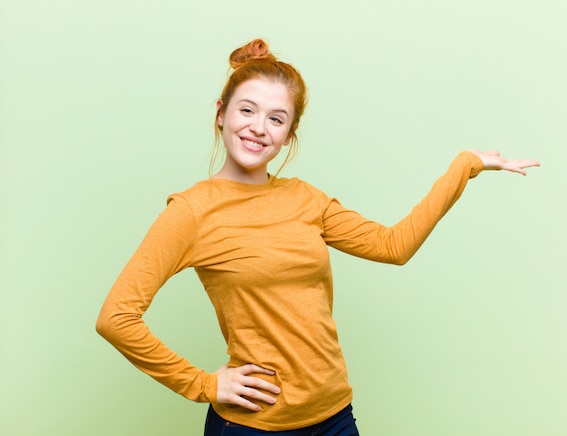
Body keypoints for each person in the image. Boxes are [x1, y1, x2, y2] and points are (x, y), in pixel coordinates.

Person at [96, 38, 540, 435]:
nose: (257, 127)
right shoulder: (192, 211)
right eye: (246, 109)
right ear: (221, 113)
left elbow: (394, 246)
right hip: (254, 427)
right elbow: (116, 318)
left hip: (334, 417)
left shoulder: (306, 199)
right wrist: (204, 384)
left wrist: (464, 165)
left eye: (276, 118)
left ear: (288, 136)